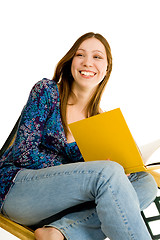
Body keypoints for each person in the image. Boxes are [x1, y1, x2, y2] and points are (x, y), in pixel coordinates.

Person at [0, 32, 158, 240]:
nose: (87, 62)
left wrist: (121, 173)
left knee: (145, 183)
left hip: (62, 208)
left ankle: (59, 232)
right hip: (17, 190)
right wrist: (88, 170)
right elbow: (23, 154)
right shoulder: (47, 91)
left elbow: (93, 178)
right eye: (80, 55)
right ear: (71, 61)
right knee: (106, 172)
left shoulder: (100, 122)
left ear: (107, 68)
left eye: (97, 57)